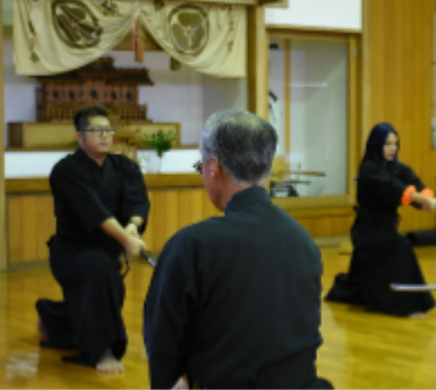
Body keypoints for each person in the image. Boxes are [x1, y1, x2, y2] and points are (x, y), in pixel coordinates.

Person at [144, 110, 334, 390]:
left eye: (200, 166)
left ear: (213, 166)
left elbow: (163, 350)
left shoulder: (192, 245)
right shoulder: (302, 239)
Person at [36, 105, 149, 374]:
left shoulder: (125, 167)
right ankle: (104, 350)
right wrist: (126, 240)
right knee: (100, 275)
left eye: (108, 129)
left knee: (105, 292)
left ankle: (52, 317)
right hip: (72, 253)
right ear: (80, 136)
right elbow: (95, 212)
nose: (104, 135)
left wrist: (132, 228)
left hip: (106, 252)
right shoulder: (66, 170)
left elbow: (138, 202)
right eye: (96, 130)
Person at [325, 123, 436, 317]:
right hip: (368, 232)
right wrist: (421, 199)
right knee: (402, 248)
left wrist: (427, 198)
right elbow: (395, 188)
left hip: (386, 229)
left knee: (359, 279)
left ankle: (347, 290)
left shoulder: (397, 168)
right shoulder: (369, 169)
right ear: (377, 144)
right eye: (387, 144)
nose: (392, 148)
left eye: (395, 144)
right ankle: (406, 304)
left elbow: (415, 184)